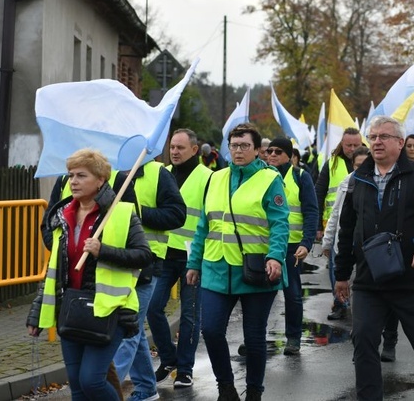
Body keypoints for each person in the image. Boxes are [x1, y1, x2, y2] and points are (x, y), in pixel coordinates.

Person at [334, 116, 414, 401]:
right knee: (363, 341)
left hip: (411, 277)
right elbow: (347, 227)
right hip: (368, 279)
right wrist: (341, 273)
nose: (376, 142)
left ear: (400, 143)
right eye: (372, 137)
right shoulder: (357, 180)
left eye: (383, 136)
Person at [26, 149, 153, 400]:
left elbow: (144, 256)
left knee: (92, 381)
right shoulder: (63, 216)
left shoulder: (121, 213)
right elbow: (54, 269)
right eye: (71, 175)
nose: (73, 181)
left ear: (100, 180)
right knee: (77, 386)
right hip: (71, 309)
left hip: (108, 310)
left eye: (81, 175)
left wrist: (102, 250)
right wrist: (36, 314)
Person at [186, 123, 289, 401]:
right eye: (234, 145)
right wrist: (193, 263)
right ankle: (226, 387)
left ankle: (254, 391)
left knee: (254, 337)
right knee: (210, 329)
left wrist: (276, 257)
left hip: (256, 269)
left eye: (245, 145)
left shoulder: (270, 178)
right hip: (216, 267)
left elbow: (280, 224)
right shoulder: (216, 178)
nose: (238, 150)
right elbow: (202, 226)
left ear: (258, 150)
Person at [113, 160, 187, 401]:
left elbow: (177, 215)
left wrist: (137, 211)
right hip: (113, 263)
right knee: (131, 327)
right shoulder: (106, 170)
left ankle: (105, 391)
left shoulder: (158, 173)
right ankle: (146, 388)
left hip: (148, 264)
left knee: (127, 326)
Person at [148, 129, 213, 389]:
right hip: (163, 254)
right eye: (172, 147)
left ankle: (184, 369)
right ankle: (168, 358)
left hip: (192, 256)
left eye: (180, 148)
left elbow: (211, 218)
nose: (174, 152)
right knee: (153, 308)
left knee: (189, 316)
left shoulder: (208, 177)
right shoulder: (161, 173)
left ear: (195, 150)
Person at [264, 137, 319, 355]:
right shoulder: (262, 175)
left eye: (278, 151)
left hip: (291, 246)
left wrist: (306, 243)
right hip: (265, 245)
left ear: (289, 155)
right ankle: (255, 338)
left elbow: (311, 211)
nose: (273, 155)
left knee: (293, 294)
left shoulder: (300, 176)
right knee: (260, 295)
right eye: (270, 151)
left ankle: (293, 338)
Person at [315, 127, 363, 320]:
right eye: (348, 145)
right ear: (341, 144)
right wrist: (319, 226)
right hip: (337, 223)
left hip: (363, 225)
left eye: (356, 145)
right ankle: (340, 303)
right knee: (337, 267)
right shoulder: (332, 164)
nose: (352, 148)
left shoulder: (368, 161)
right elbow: (319, 192)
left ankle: (362, 304)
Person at [321, 146, 369, 322]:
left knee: (361, 289)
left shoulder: (377, 182)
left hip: (367, 247)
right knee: (341, 280)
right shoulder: (347, 183)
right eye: (357, 165)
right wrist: (327, 241)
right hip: (344, 244)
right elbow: (336, 214)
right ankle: (341, 307)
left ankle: (361, 324)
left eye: (365, 164)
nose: (361, 169)